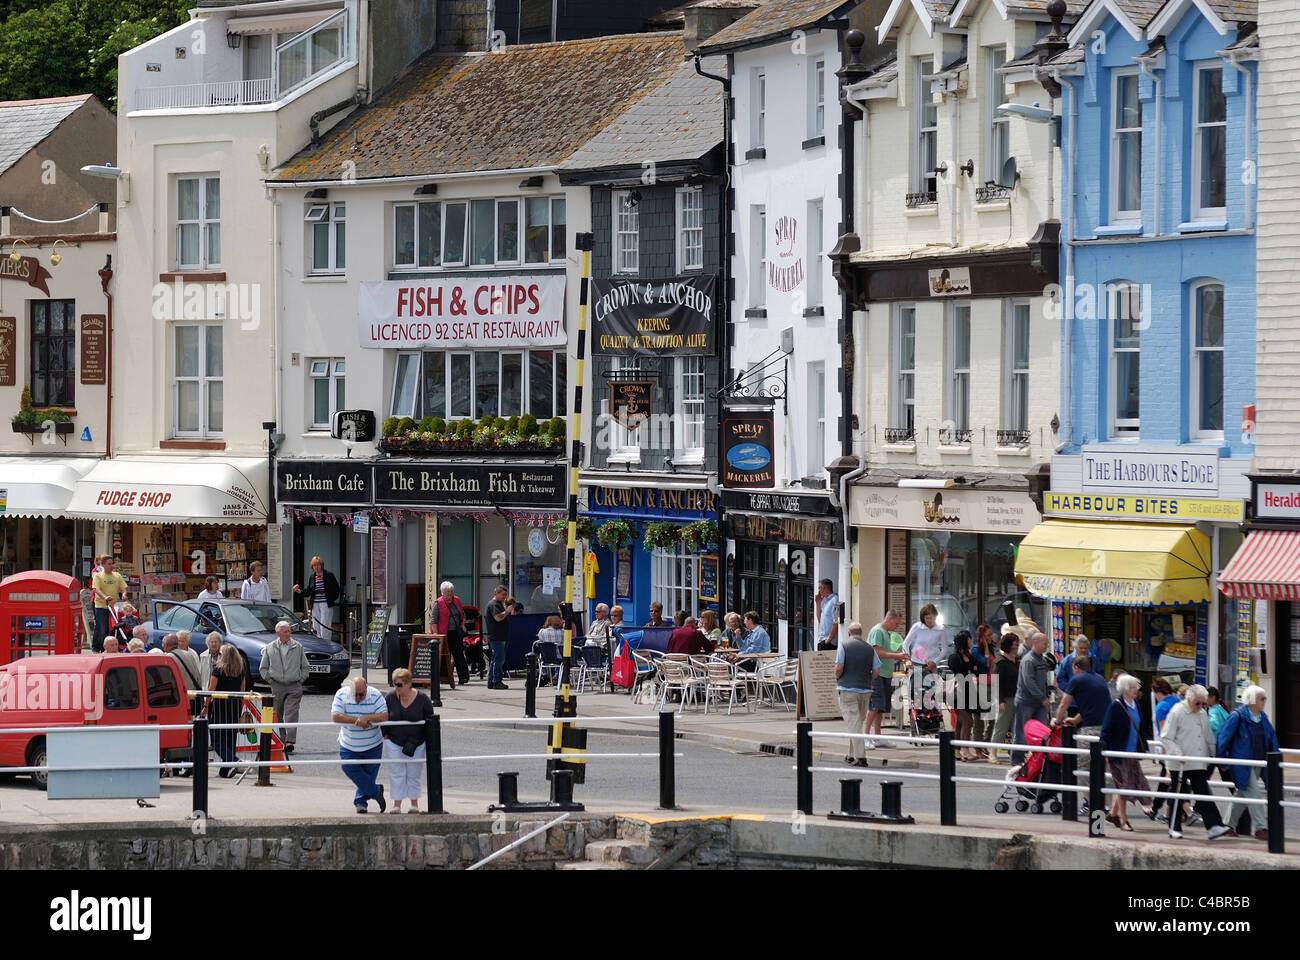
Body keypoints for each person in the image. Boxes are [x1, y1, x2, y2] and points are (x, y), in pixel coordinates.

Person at [1161, 684, 1232, 840]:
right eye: (1198, 703)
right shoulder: (1177, 711)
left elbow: (1208, 737)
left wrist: (1215, 756)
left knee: (1203, 792)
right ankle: (1174, 827)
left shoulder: (1202, 714)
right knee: (1178, 793)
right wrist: (1178, 754)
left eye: (1203, 703)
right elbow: (1165, 736)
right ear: (1189, 699)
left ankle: (1213, 826)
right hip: (1180, 762)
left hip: (1198, 761)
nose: (1200, 706)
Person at [1217, 685, 1280, 841]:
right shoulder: (1237, 716)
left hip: (1259, 762)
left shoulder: (1262, 717)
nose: (1264, 701)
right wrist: (1221, 760)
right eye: (1262, 698)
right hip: (1241, 762)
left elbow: (1271, 738)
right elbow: (1223, 739)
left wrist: (1275, 757)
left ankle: (1227, 825)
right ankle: (1261, 828)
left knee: (1243, 793)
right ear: (1252, 700)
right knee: (1254, 793)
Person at [1100, 673, 1153, 831]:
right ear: (1124, 689)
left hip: (1132, 753)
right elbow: (1106, 730)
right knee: (1123, 787)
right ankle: (1124, 820)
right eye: (1131, 687)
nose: (1135, 689)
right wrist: (1103, 753)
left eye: (1135, 686)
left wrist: (1144, 746)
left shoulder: (1136, 704)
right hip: (1118, 753)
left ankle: (1113, 814)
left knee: (1133, 784)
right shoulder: (1116, 706)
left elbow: (1141, 727)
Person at [331, 675, 388, 813]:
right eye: (355, 694)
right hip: (349, 742)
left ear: (367, 689)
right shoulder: (341, 694)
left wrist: (367, 718)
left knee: (369, 774)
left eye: (361, 694)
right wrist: (356, 720)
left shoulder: (375, 695)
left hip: (372, 743)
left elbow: (384, 716)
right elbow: (335, 716)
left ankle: (360, 802)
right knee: (348, 767)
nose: (358, 697)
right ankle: (376, 791)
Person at [383, 668, 435, 814]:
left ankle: (414, 804)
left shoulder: (423, 699)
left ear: (408, 684)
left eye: (399, 684)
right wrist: (385, 735)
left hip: (416, 743)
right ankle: (396, 805)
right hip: (394, 741)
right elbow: (383, 715)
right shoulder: (390, 697)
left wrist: (424, 738)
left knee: (414, 773)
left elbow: (430, 720)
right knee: (396, 773)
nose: (396, 687)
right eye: (394, 684)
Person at [262, 620, 310, 755]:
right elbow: (263, 668)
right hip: (277, 685)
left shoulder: (297, 646)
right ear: (278, 633)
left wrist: (300, 680)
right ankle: (282, 740)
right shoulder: (270, 647)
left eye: (289, 631)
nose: (288, 634)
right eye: (285, 632)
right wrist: (271, 681)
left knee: (291, 713)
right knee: (277, 714)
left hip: (294, 686)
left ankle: (290, 741)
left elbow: (305, 667)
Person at [836, 622, 880, 767]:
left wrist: (838, 677)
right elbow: (876, 671)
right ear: (861, 633)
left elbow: (839, 667)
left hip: (848, 689)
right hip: (865, 690)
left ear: (849, 633)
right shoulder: (869, 649)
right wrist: (867, 679)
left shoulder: (844, 646)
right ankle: (851, 754)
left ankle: (861, 757)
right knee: (856, 723)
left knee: (853, 723)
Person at [201, 643, 246, 779]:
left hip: (219, 708)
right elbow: (242, 691)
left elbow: (211, 690)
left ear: (223, 656)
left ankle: (234, 761)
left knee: (216, 741)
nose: (218, 655)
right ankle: (224, 771)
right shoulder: (240, 671)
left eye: (220, 654)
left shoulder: (218, 669)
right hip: (234, 707)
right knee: (230, 740)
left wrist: (206, 706)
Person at [865, 610, 906, 749]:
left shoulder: (886, 633)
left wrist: (898, 655)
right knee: (874, 705)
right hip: (877, 673)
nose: (896, 626)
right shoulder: (878, 631)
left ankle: (877, 737)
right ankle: (866, 736)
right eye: (896, 623)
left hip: (886, 674)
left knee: (881, 707)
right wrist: (896, 656)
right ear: (889, 619)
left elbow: (884, 652)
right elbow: (876, 652)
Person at [1012, 632, 1052, 766]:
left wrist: (1047, 694)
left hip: (1039, 702)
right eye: (1044, 643)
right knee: (1021, 731)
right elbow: (1028, 681)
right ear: (1035, 643)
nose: (1046, 646)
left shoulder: (1042, 659)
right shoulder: (1028, 660)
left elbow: (1043, 681)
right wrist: (1042, 697)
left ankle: (1037, 758)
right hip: (1026, 702)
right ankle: (1017, 759)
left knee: (1040, 731)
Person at [1052, 656, 1110, 747]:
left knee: (1082, 758)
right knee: (1100, 759)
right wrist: (1075, 720)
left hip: (1090, 728)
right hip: (1106, 727)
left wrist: (1057, 722)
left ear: (1076, 667)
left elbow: (1064, 704)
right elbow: (1092, 705)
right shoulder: (1100, 679)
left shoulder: (1076, 680)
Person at [1148, 677, 1181, 822]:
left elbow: (1164, 731)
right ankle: (1158, 810)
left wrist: (1163, 752)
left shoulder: (1161, 707)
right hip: (1180, 745)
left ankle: (1185, 811)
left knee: (1168, 780)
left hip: (1169, 748)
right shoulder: (1177, 701)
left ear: (1156, 692)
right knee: (1167, 780)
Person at [431, 581, 471, 686]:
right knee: (445, 656)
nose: (450, 594)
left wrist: (463, 624)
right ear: (442, 593)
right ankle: (445, 678)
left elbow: (462, 614)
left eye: (451, 592)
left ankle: (463, 677)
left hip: (456, 632)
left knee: (459, 655)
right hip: (443, 633)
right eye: (448, 592)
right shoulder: (438, 603)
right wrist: (436, 634)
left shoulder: (456, 600)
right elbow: (434, 621)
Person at [293, 555, 340, 641]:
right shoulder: (312, 577)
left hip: (326, 603)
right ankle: (319, 645)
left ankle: (326, 645)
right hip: (315, 604)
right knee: (316, 626)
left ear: (321, 565)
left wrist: (331, 599)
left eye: (318, 565)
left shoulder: (329, 575)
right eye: (314, 565)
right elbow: (308, 592)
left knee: (325, 625)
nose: (316, 567)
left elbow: (337, 589)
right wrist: (298, 591)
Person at [948, 630, 978, 760]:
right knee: (967, 720)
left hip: (969, 690)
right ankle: (965, 749)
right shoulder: (955, 657)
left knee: (960, 723)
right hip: (958, 691)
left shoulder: (968, 655)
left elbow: (975, 668)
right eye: (969, 639)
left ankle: (956, 751)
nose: (971, 642)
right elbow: (959, 672)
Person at [969, 624, 997, 757]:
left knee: (993, 717)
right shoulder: (975, 650)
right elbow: (985, 663)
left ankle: (986, 743)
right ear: (982, 637)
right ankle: (978, 748)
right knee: (979, 719)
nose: (991, 638)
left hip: (993, 684)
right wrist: (985, 646)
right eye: (988, 635)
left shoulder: (992, 648)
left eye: (991, 635)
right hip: (980, 684)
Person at [91, 555, 128, 654]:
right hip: (101, 606)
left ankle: (112, 648)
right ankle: (101, 649)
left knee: (112, 629)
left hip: (114, 608)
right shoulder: (98, 576)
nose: (111, 566)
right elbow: (96, 589)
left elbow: (123, 587)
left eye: (112, 564)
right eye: (109, 564)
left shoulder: (117, 575)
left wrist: (124, 594)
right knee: (102, 629)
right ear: (102, 565)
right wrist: (105, 597)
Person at [484, 585, 516, 690]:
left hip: (500, 636)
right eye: (503, 594)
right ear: (496, 593)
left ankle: (491, 682)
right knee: (499, 660)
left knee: (495, 659)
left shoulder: (498, 604)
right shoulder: (494, 604)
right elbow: (497, 618)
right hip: (497, 637)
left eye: (505, 595)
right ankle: (496, 681)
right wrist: (507, 611)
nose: (505, 597)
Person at [902, 604, 945, 673]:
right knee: (917, 683)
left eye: (931, 617)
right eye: (927, 618)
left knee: (932, 683)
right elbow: (905, 644)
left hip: (932, 665)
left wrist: (935, 662)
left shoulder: (941, 629)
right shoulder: (917, 627)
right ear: (923, 618)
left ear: (935, 616)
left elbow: (944, 648)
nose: (929, 620)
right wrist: (907, 660)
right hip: (917, 663)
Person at [168, 631, 203, 717]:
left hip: (189, 694)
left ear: (188, 642)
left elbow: (197, 672)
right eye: (179, 641)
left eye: (182, 641)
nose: (180, 643)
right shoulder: (172, 655)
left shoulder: (192, 654)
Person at [813, 579, 840, 651]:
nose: (818, 590)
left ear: (823, 588)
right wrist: (818, 603)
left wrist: (828, 639)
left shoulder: (835, 600)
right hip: (822, 640)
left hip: (829, 642)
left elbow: (836, 621)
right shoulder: (825, 601)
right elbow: (820, 620)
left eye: (819, 588)